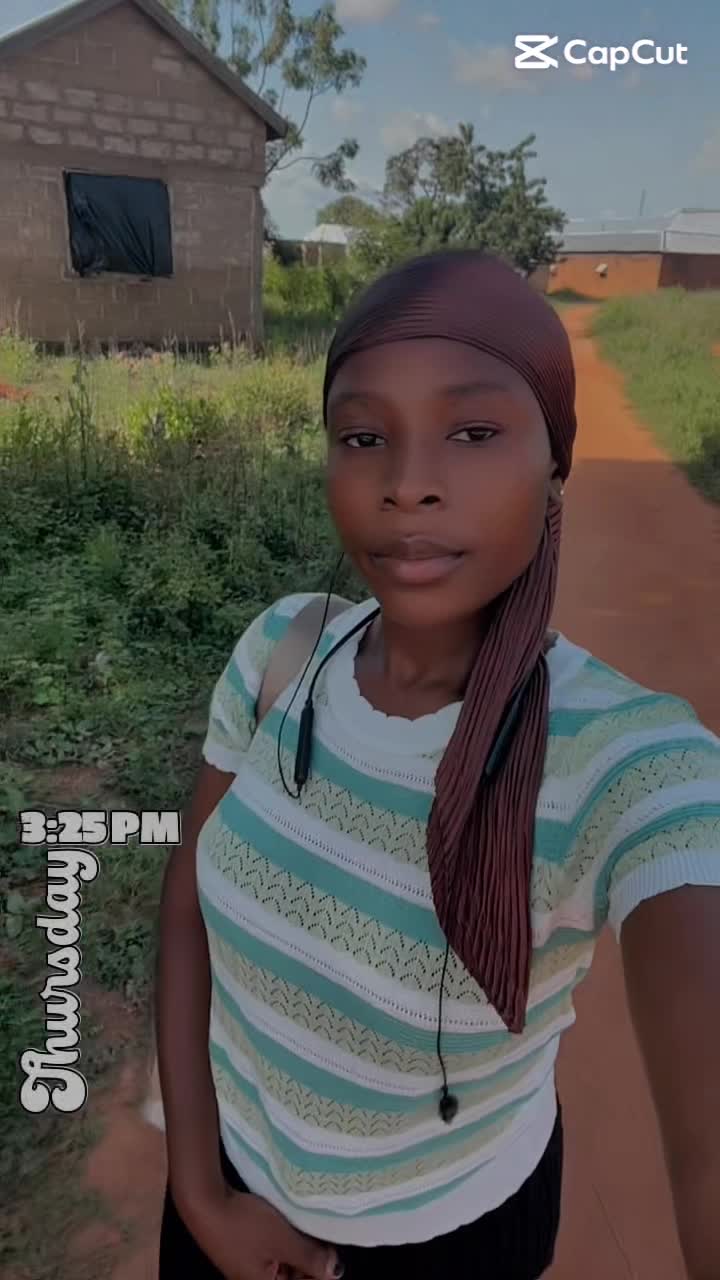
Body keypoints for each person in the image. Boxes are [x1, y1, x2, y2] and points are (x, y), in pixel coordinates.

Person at [154, 250, 720, 1280]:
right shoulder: (282, 648)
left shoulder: (629, 763)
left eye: (473, 432)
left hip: (455, 1241)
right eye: (363, 436)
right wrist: (198, 1190)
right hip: (223, 1194)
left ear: (556, 466)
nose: (407, 484)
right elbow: (187, 901)